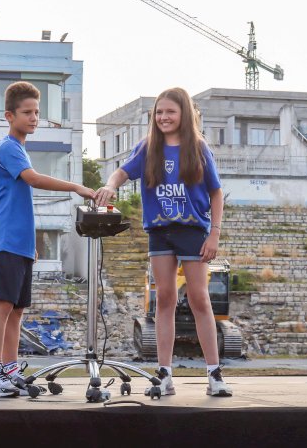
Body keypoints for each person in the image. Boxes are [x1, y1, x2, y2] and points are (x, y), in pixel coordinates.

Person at [94, 87, 232, 397]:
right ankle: (165, 374)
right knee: (165, 299)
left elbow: (216, 192)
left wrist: (214, 233)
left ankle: (214, 374)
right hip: (159, 230)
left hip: (193, 230)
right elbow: (122, 172)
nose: (163, 117)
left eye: (170, 111)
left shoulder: (198, 147)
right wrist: (110, 185)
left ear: (184, 114)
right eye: (158, 112)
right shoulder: (148, 147)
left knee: (198, 298)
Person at [0, 81, 95, 397]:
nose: (34, 118)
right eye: (27, 112)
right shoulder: (8, 147)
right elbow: (32, 179)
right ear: (9, 115)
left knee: (17, 311)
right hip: (3, 240)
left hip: (19, 244)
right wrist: (76, 187)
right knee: (2, 307)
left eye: (37, 113)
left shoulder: (20, 149)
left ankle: (10, 369)